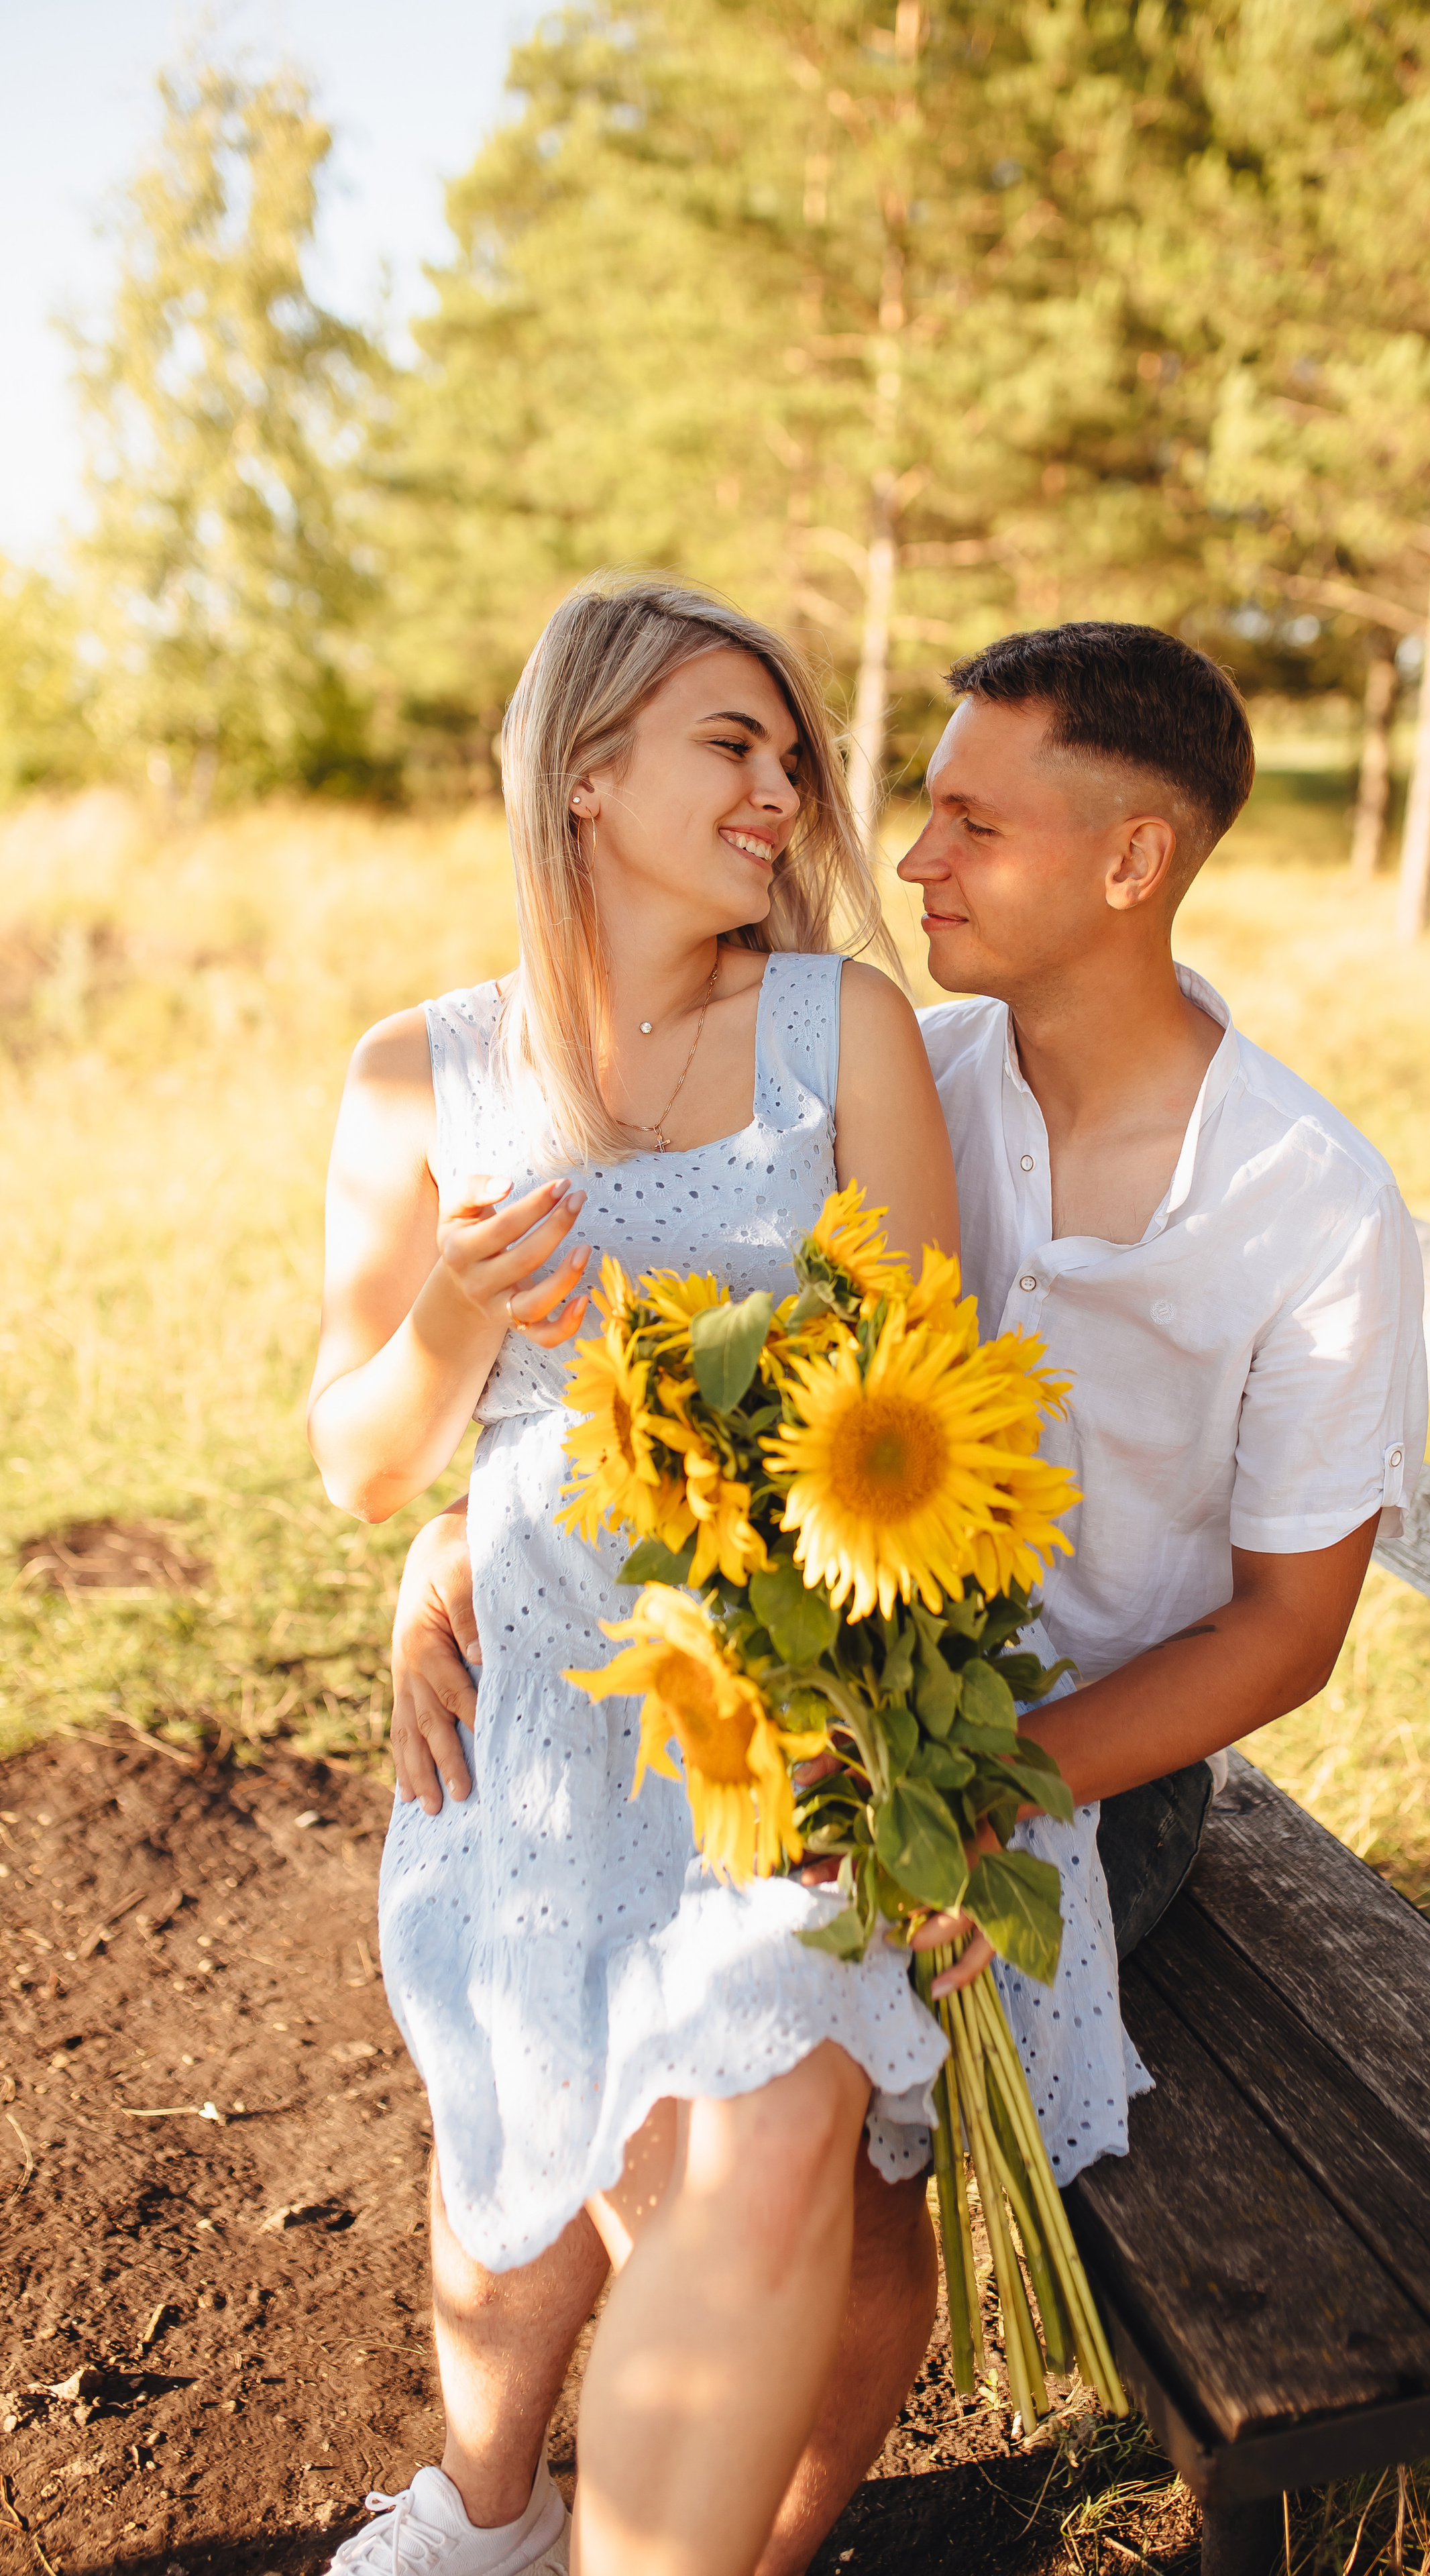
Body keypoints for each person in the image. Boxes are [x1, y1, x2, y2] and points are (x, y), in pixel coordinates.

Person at [386, 620, 1429, 2574]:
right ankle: (515, 2503)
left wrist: (979, 1787)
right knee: (694, 2078)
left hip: (1076, 1764)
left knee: (778, 2128)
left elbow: (1288, 1638)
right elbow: (650, 1359)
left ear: (1131, 864)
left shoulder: (1310, 1209)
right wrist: (455, 1549)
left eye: (972, 822)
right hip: (798, 1702)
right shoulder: (898, 1058)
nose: (907, 854)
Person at [305, 577, 1143, 2576]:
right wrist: (449, 1322)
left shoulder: (836, 1024)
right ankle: (497, 2520)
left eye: (795, 757)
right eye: (730, 747)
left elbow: (927, 1387)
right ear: (585, 776)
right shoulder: (417, 1076)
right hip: (553, 1709)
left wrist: (927, 1786)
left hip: (820, 1695)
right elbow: (357, 1458)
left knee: (774, 2164)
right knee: (554, 2126)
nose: (786, 793)